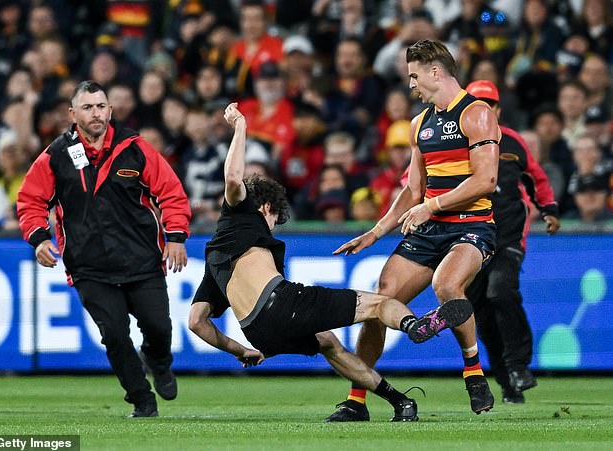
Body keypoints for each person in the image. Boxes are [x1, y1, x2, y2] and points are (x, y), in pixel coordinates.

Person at [188, 103, 476, 422]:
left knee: (329, 343)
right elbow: (232, 177)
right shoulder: (240, 214)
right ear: (265, 206)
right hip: (283, 304)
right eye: (275, 219)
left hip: (257, 333)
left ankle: (399, 402)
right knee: (380, 304)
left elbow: (197, 322)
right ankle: (415, 325)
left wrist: (239, 350)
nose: (273, 226)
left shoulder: (213, 258)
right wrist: (240, 125)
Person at [326, 39, 501, 421]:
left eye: (414, 76)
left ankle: (472, 370)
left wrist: (431, 206)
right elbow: (412, 189)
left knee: (447, 285)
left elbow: (486, 179)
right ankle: (358, 399)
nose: (411, 85)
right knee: (378, 303)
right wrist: (375, 232)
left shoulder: (477, 114)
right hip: (429, 227)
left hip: (472, 225)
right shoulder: (419, 124)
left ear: (435, 71)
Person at [17, 81, 192, 418]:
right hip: (89, 268)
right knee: (113, 334)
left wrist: (176, 236)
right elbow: (30, 200)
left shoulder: (136, 148)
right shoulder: (55, 155)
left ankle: (158, 361)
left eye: (100, 106)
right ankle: (142, 399)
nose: (95, 113)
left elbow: (171, 192)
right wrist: (38, 238)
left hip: (141, 260)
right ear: (72, 114)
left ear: (110, 110)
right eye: (88, 107)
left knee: (159, 327)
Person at [465, 80, 561, 404]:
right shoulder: (453, 144)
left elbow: (536, 177)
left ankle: (519, 366)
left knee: (501, 292)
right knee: (483, 316)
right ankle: (509, 382)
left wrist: (548, 209)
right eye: (476, 104)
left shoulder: (513, 142)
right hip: (470, 239)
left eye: (487, 105)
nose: (482, 111)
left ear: (497, 110)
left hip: (507, 235)